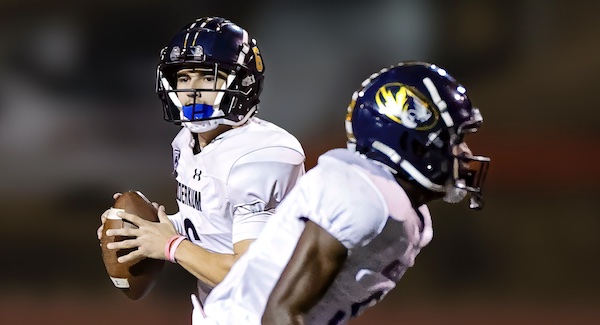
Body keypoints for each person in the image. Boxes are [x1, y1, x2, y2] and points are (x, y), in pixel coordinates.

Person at [194, 61, 491, 324]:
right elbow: (280, 313)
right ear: (414, 140)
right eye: (457, 139)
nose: (465, 153)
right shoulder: (360, 197)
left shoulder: (400, 208)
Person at [96, 16, 305, 310]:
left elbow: (253, 276)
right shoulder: (187, 140)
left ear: (243, 82)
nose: (192, 90)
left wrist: (169, 245)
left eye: (208, 77)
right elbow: (212, 227)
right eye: (183, 78)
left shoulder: (262, 155)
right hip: (221, 306)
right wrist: (145, 230)